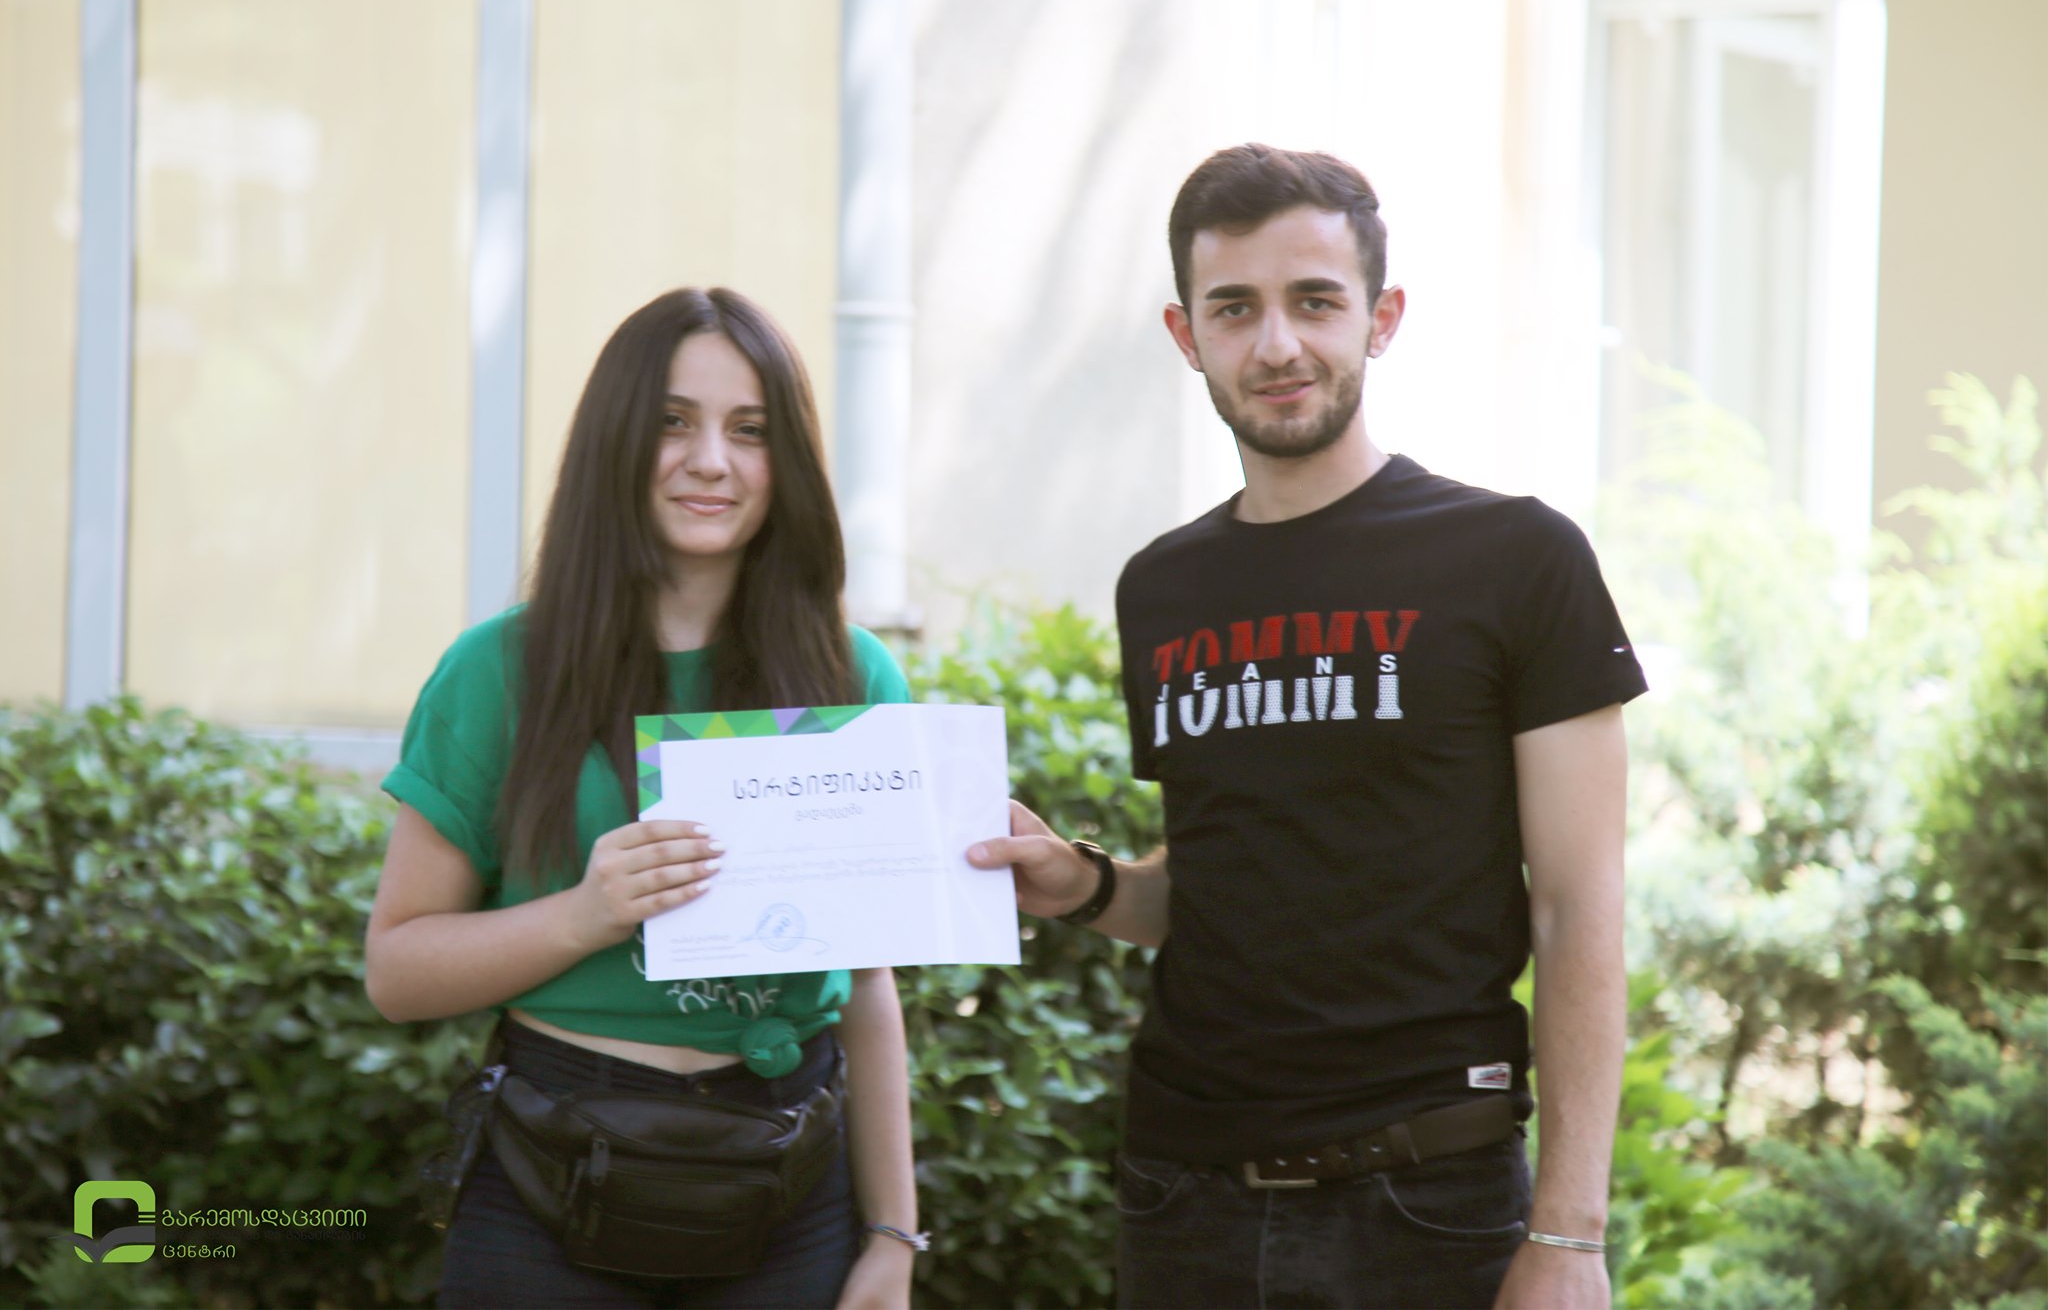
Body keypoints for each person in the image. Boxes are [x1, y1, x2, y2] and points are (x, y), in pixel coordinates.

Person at [970, 145, 1646, 1309]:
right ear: (1186, 335)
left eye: (1315, 301)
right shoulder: (1162, 588)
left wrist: (1569, 1233)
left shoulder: (1515, 560)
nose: (1276, 345)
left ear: (1380, 319)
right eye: (1234, 308)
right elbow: (1222, 882)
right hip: (1184, 1203)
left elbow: (1575, 907)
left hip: (1428, 1203)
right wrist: (1084, 886)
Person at [365, 287, 919, 1310]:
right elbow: (398, 971)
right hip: (547, 1177)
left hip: (792, 1184)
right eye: (672, 421)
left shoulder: (855, 677)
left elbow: (868, 981)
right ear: (613, 441)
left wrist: (893, 1236)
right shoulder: (496, 670)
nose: (710, 460)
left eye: (749, 430)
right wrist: (584, 914)